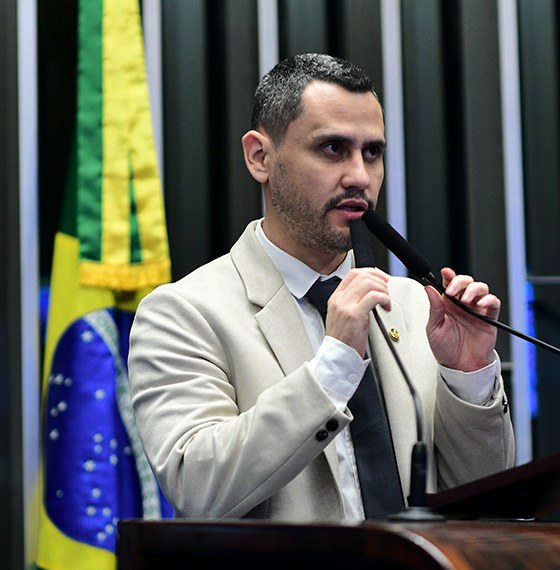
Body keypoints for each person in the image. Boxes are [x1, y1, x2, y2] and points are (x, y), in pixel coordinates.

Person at [128, 53, 515, 522]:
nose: (359, 177)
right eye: (333, 149)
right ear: (260, 157)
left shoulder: (414, 304)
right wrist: (334, 363)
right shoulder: (184, 313)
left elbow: (481, 501)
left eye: (372, 153)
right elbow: (198, 487)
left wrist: (468, 378)